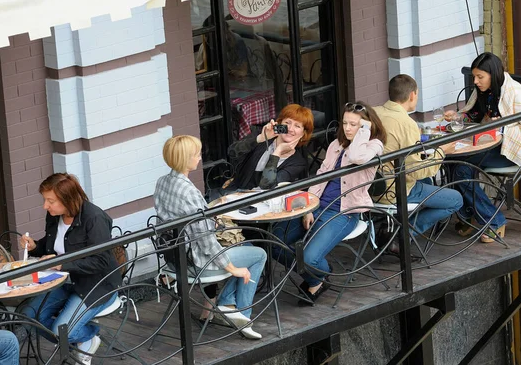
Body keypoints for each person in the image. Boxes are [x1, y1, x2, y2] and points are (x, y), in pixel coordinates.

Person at [271, 102, 386, 305]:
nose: (348, 129)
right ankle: (317, 276)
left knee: (308, 257)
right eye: (345, 123)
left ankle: (314, 269)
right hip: (317, 206)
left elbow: (357, 157)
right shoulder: (336, 145)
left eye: (354, 124)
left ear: (367, 126)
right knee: (275, 242)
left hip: (344, 212)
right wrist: (309, 208)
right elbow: (321, 176)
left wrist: (365, 130)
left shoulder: (373, 146)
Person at [155, 135, 267, 339]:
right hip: (197, 262)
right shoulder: (189, 192)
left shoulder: (162, 183)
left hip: (175, 259)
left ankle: (227, 304)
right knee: (259, 254)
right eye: (196, 154)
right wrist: (234, 269)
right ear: (185, 158)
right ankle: (241, 314)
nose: (200, 157)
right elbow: (206, 241)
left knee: (247, 247)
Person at [444, 52, 521, 242]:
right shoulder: (484, 92)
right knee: (455, 164)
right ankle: (471, 214)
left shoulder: (514, 93)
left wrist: (502, 125)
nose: (475, 81)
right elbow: (474, 116)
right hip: (490, 146)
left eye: (480, 77)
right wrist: (458, 117)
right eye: (474, 77)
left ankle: (492, 220)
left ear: (493, 74)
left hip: (513, 152)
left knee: (456, 163)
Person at [19, 173, 121, 365]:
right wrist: (35, 247)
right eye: (45, 200)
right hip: (63, 281)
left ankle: (88, 336)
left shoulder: (94, 218)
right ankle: (81, 337)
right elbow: (54, 247)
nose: (45, 206)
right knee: (28, 316)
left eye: (50, 201)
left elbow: (101, 261)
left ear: (67, 199)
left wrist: (60, 263)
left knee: (61, 331)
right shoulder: (54, 216)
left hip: (96, 285)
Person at [374, 74, 463, 241]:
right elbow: (417, 171)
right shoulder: (406, 123)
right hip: (394, 191)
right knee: (456, 200)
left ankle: (396, 225)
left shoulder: (374, 113)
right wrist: (442, 152)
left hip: (370, 187)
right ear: (412, 95)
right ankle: (401, 235)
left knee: (428, 183)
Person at [227, 103, 314, 191]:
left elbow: (267, 186)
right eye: (287, 123)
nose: (290, 129)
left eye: (297, 126)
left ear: (303, 133)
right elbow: (232, 152)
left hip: (262, 202)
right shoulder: (261, 136)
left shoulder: (297, 163)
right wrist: (260, 138)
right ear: (279, 123)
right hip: (234, 194)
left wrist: (277, 152)